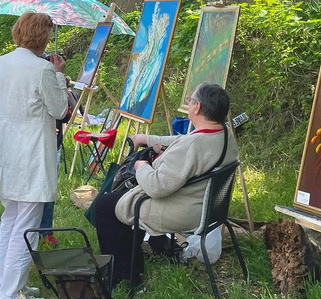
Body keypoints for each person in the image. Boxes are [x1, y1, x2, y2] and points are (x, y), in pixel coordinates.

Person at [94, 82, 239, 285]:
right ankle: (135, 260)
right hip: (209, 209)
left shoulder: (192, 146)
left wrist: (141, 165)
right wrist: (147, 138)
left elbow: (156, 187)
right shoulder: (224, 135)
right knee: (118, 201)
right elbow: (183, 141)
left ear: (197, 107)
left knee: (105, 207)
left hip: (182, 211)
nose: (189, 105)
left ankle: (125, 278)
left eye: (190, 101)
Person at [0, 13, 68, 299]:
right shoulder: (42, 70)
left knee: (10, 220)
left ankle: (8, 284)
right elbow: (59, 110)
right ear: (43, 36)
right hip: (31, 153)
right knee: (27, 227)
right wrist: (59, 76)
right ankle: (8, 293)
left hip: (5, 150)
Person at [39, 76, 82, 247]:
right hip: (33, 144)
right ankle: (29, 231)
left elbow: (64, 116)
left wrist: (62, 89)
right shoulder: (34, 77)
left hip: (53, 145)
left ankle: (45, 232)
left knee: (49, 190)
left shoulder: (56, 84)